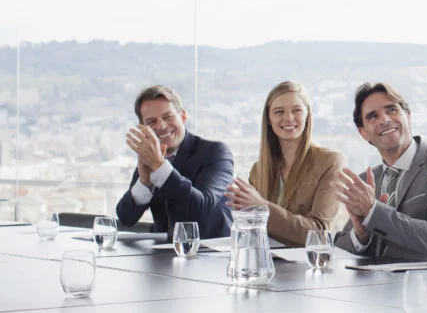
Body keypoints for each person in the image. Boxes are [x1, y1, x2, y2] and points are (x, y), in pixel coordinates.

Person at [333, 83, 427, 260]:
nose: (384, 120)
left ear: (408, 116)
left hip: (424, 284)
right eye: (372, 117)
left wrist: (373, 212)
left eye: (391, 110)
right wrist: (360, 235)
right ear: (363, 133)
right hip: (373, 285)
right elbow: (340, 247)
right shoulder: (366, 182)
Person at [225, 81, 345, 247]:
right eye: (279, 112)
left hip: (305, 267)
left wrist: (263, 208)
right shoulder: (258, 170)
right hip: (265, 264)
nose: (288, 118)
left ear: (307, 114)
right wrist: (244, 214)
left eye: (296, 110)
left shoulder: (330, 162)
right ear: (268, 119)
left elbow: (320, 234)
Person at [117, 85, 234, 239]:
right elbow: (126, 218)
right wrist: (144, 184)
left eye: (167, 117)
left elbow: (201, 207)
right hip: (163, 255)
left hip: (210, 254)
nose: (161, 126)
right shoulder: (150, 159)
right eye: (152, 121)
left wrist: (160, 167)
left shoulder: (216, 152)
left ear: (183, 116)